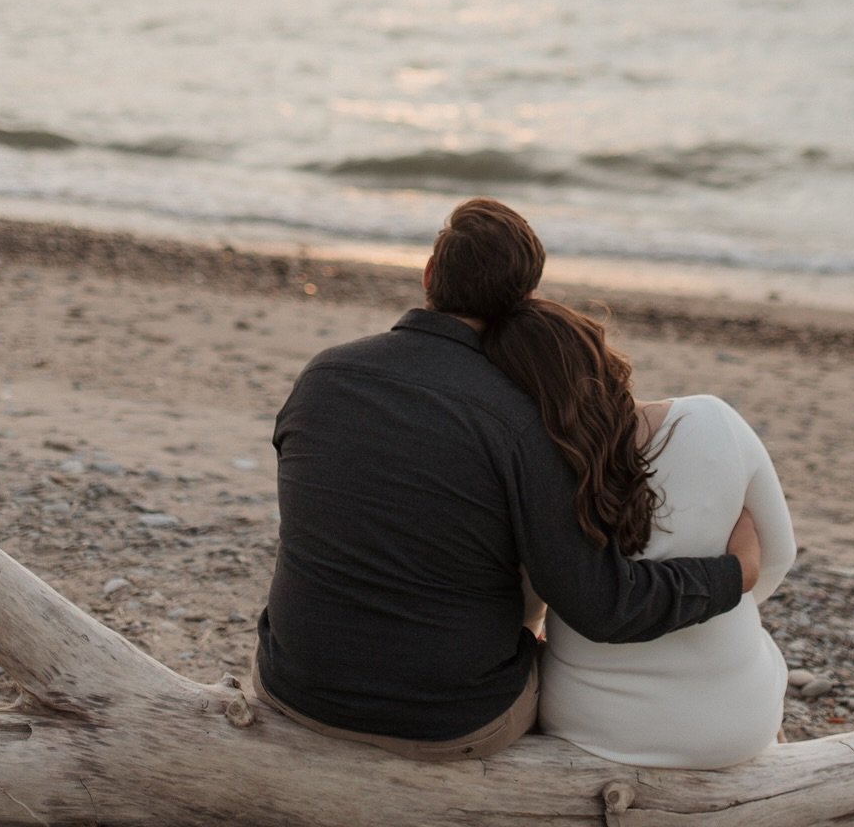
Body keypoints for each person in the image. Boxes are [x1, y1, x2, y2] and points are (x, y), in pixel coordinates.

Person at [254, 197, 762, 760]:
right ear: (527, 298)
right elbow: (601, 606)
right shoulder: (521, 419)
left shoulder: (323, 375)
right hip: (446, 721)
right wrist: (732, 574)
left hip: (293, 687)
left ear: (429, 275)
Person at [483, 293, 796, 769]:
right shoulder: (713, 421)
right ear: (600, 353)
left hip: (593, 723)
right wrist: (722, 598)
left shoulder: (534, 468)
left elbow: (528, 605)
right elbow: (778, 557)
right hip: (733, 725)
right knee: (760, 655)